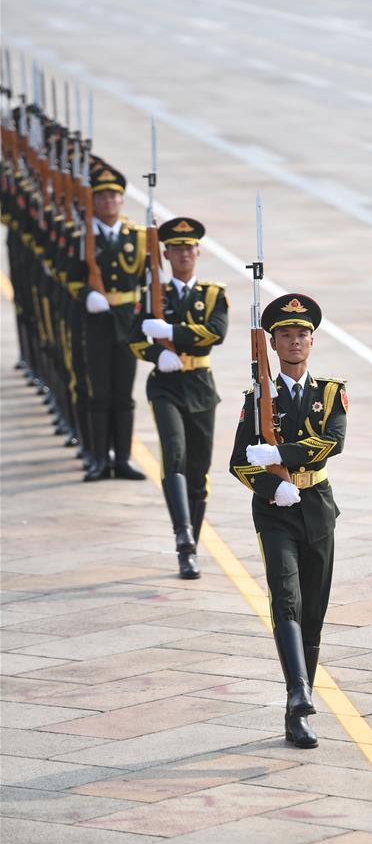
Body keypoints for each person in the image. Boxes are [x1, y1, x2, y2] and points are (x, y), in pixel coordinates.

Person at [230, 294, 348, 748]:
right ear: (274, 344)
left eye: (302, 334)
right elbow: (239, 461)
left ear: (312, 342)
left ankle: (300, 708)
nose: (294, 341)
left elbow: (333, 442)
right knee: (286, 599)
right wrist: (269, 485)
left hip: (316, 503)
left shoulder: (330, 392)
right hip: (276, 511)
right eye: (285, 335)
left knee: (313, 612)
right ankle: (296, 694)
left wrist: (282, 454)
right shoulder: (258, 396)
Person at [129, 217, 228, 579]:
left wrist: (171, 332)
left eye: (190, 248)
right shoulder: (153, 294)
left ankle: (193, 548)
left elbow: (214, 333)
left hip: (200, 385)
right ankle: (183, 539)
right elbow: (134, 338)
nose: (184, 253)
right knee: (174, 453)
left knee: (198, 471)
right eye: (177, 248)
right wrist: (157, 355)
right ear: (166, 253)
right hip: (166, 386)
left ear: (197, 252)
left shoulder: (213, 294)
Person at [70, 164, 147, 482]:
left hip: (127, 321)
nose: (108, 201)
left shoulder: (138, 237)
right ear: (93, 200)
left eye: (114, 195)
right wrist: (87, 293)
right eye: (101, 196)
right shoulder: (81, 236)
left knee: (124, 395)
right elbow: (69, 275)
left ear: (122, 200)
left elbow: (147, 281)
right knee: (99, 392)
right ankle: (99, 459)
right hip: (97, 322)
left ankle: (123, 459)